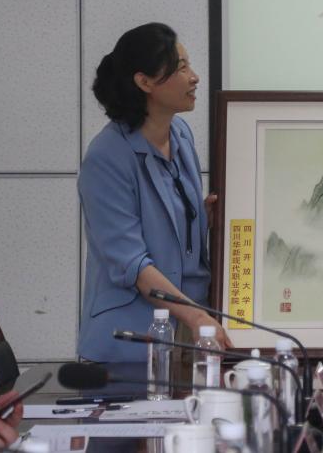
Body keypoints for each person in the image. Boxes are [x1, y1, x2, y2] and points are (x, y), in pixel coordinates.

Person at [78, 23, 230, 362]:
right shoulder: (107, 157)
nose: (194, 77)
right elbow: (131, 264)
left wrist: (201, 220)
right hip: (134, 339)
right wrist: (196, 317)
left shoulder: (180, 134)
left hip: (191, 328)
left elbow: (169, 229)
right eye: (181, 68)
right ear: (144, 82)